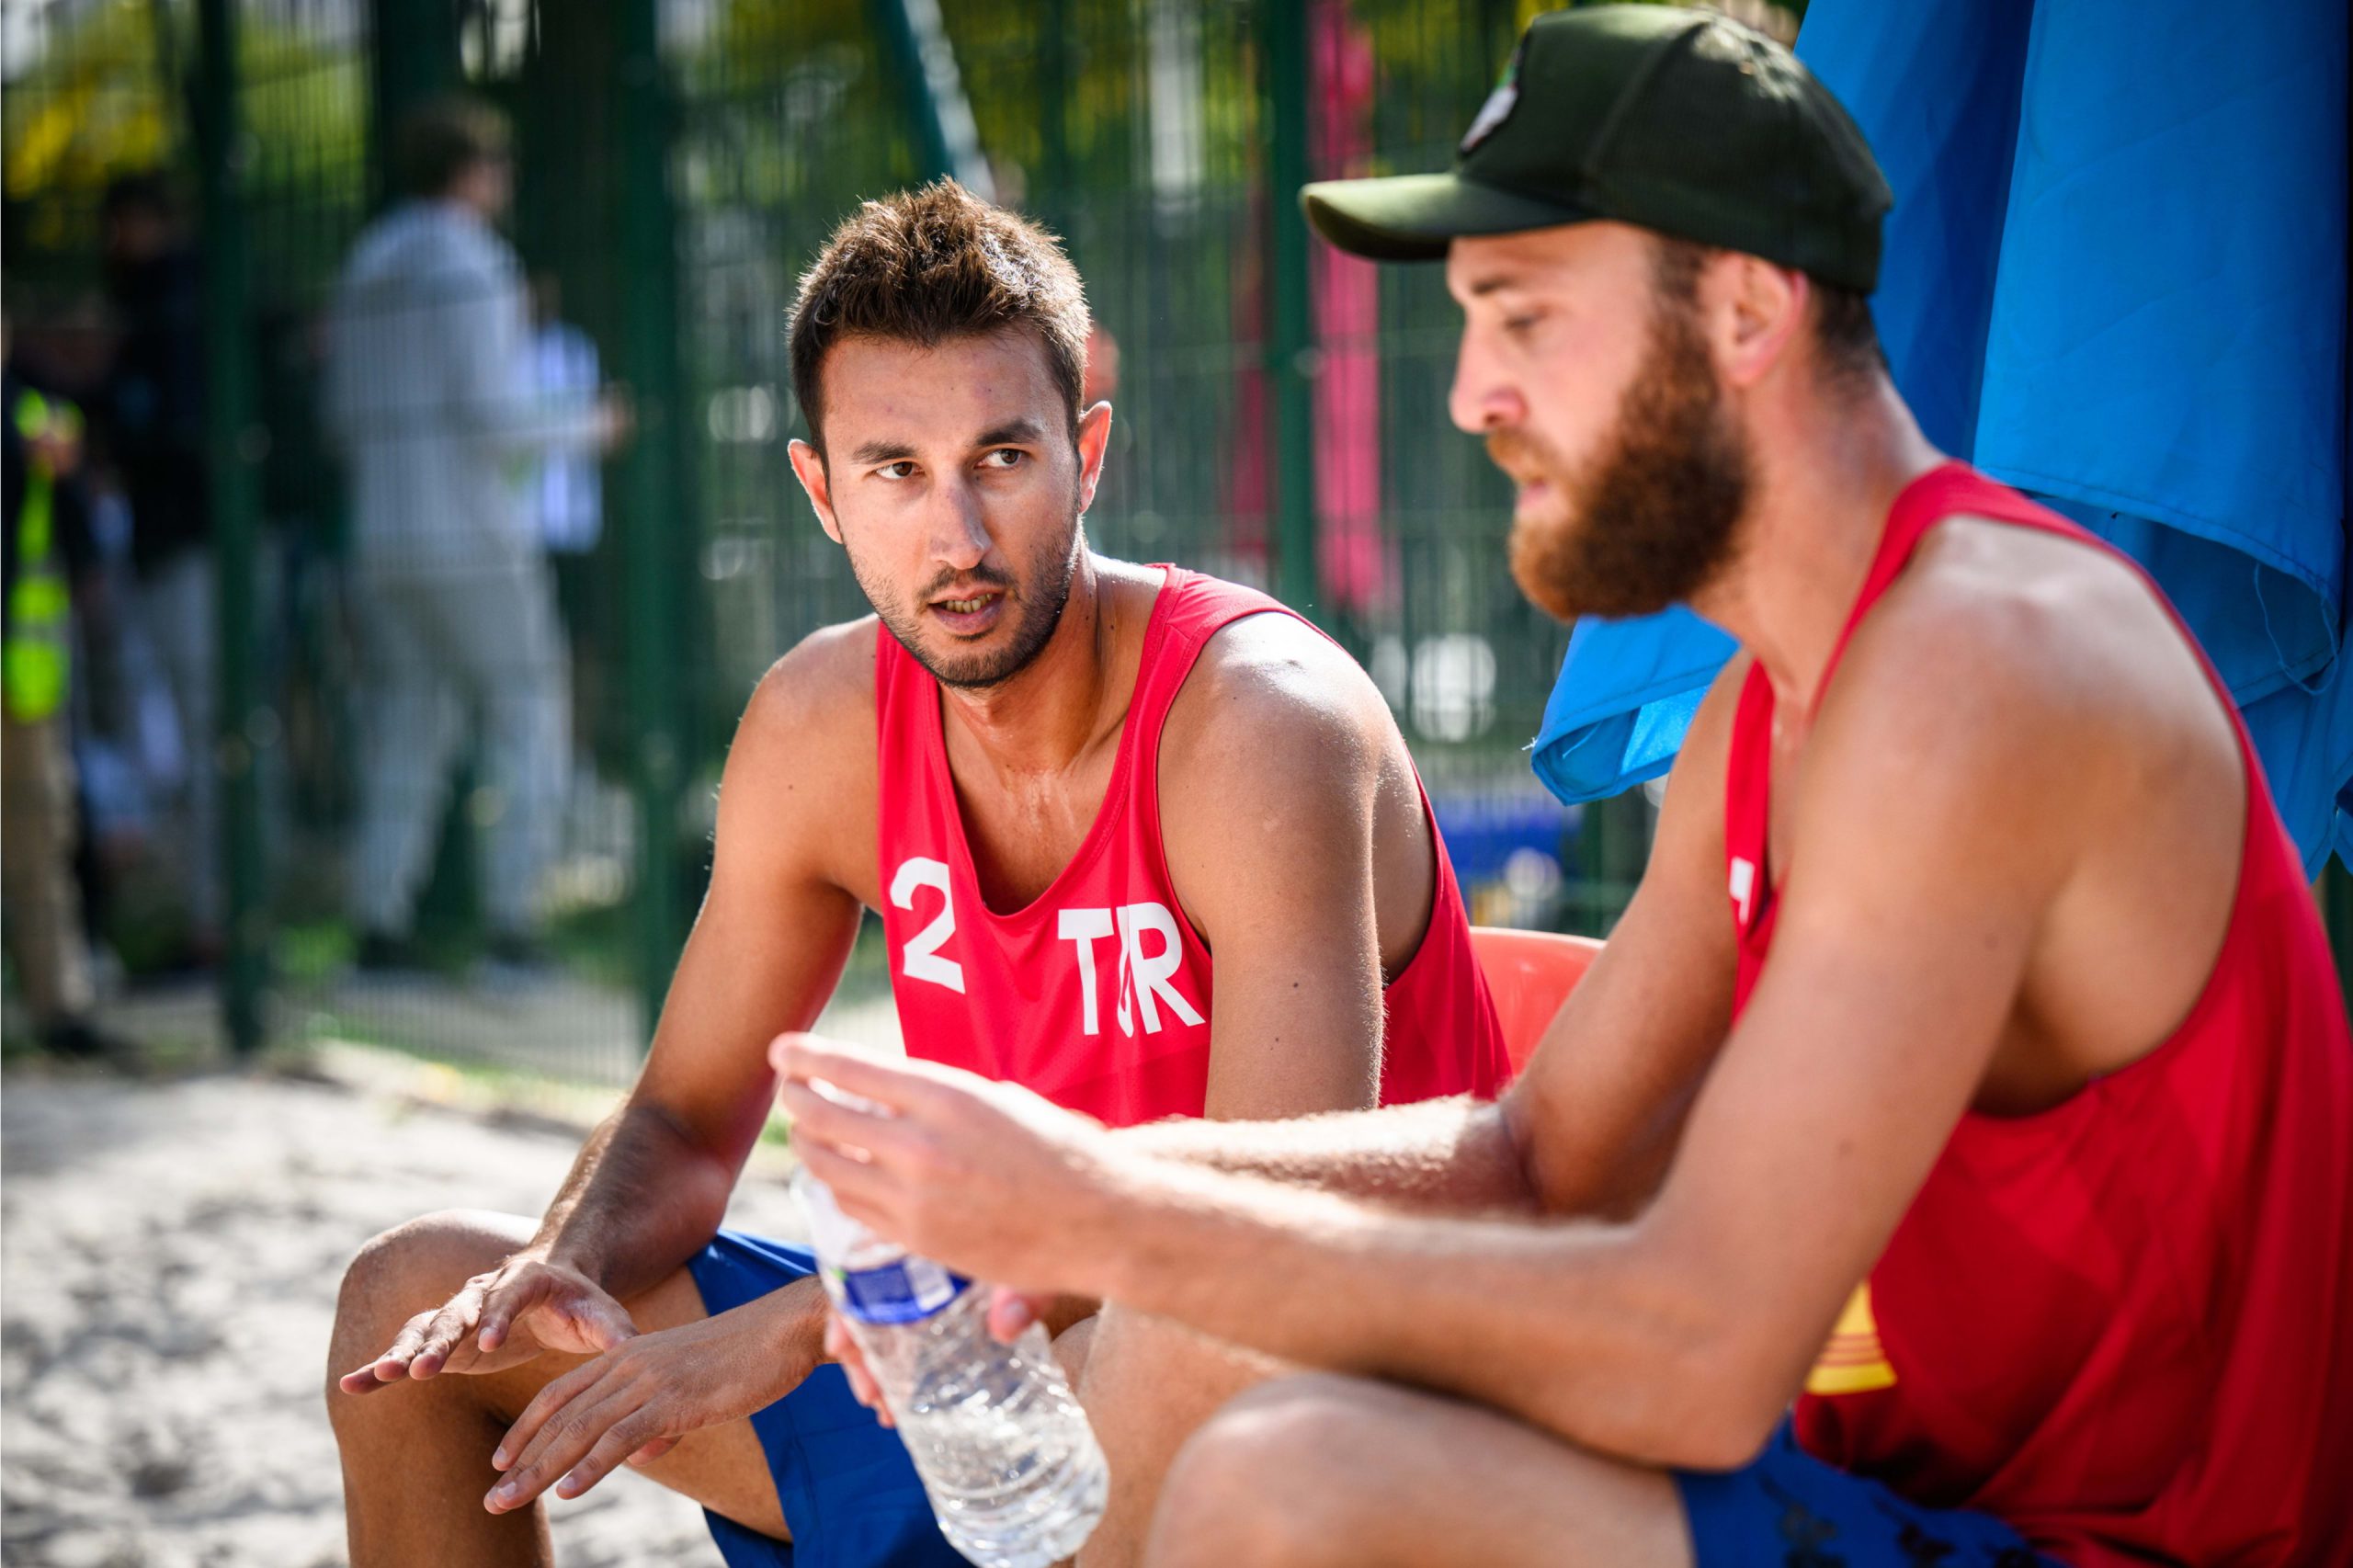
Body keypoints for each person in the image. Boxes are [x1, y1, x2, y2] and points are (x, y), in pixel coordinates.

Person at [771, 10, 2353, 1568]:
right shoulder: (1774, 704)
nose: (1470, 395)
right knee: (1208, 1336)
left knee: (1299, 1476)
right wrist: (1070, 1189)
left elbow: (1700, 1347)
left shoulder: (1976, 676)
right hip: (1902, 1499)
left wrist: (1110, 1220)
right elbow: (1537, 1159)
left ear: (1740, 310)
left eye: (1524, 316)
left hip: (2101, 1546)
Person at [324, 180, 1512, 1568]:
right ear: (820, 492)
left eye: (1002, 457)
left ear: (1090, 453)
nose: (956, 536)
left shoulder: (1258, 720)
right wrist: (566, 1257)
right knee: (411, 1304)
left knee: (1148, 1348)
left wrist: (810, 1323)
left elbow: (1263, 1222)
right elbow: (691, 1118)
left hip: (1313, 1400)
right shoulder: (821, 725)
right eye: (894, 469)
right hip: (988, 1360)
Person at [323, 97, 626, 972]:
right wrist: (589, 425)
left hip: (383, 534)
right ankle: (512, 928)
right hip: (471, 535)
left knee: (408, 728)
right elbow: (495, 419)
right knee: (529, 714)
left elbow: (340, 413)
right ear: (474, 172)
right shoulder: (474, 260)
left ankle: (379, 927)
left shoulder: (367, 260)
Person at [98, 172, 220, 958]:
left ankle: (216, 923)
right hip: (177, 549)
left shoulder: (171, 304)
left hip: (192, 547)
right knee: (186, 733)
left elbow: (168, 425)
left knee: (207, 731)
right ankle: (204, 916)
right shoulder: (162, 298)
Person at [3, 302, 123, 1059]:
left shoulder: (38, 419)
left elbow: (79, 544)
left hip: (27, 673)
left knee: (42, 836)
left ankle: (60, 1010)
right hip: (30, 670)